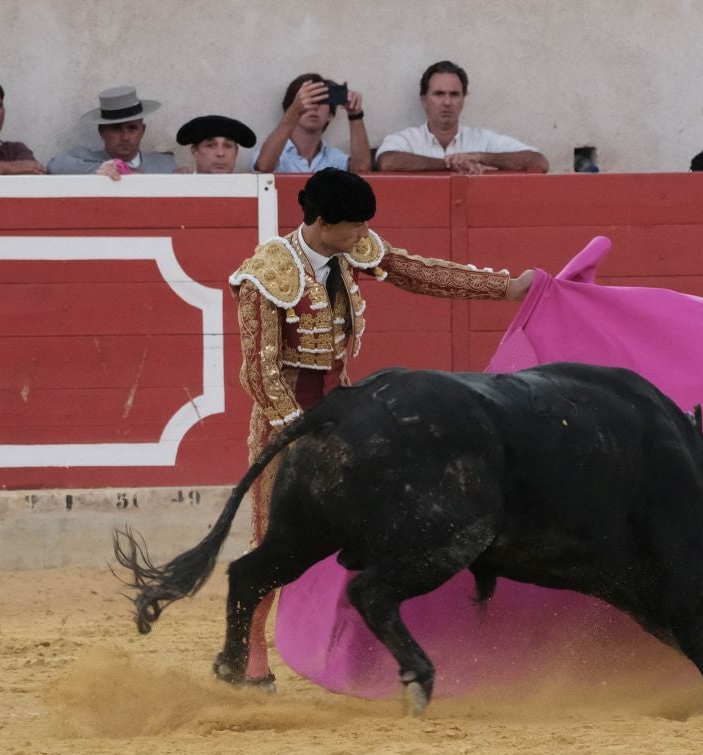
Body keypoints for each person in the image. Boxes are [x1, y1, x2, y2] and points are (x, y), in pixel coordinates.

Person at [226, 168, 535, 686]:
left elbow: (416, 272)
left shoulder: (352, 245)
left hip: (345, 414)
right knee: (271, 543)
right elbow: (258, 370)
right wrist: (299, 434)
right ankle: (250, 653)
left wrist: (507, 289)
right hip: (287, 426)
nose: (363, 235)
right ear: (324, 224)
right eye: (354, 226)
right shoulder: (267, 273)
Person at [376, 61, 549, 175]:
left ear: (463, 99)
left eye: (454, 94)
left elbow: (539, 161)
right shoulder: (407, 139)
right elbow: (387, 162)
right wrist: (450, 164)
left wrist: (480, 157)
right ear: (424, 101)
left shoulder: (482, 140)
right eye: (439, 94)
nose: (447, 102)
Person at [49, 85, 179, 177]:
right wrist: (103, 169)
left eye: (132, 128)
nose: (125, 137)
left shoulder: (164, 164)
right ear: (102, 132)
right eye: (116, 128)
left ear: (142, 131)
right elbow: (55, 166)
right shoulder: (84, 158)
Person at [254, 73, 370, 175]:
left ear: (330, 115)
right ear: (290, 109)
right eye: (309, 100)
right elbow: (263, 166)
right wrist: (294, 111)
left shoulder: (333, 158)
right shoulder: (275, 152)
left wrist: (355, 114)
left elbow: (361, 172)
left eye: (322, 100)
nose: (315, 106)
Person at [176, 115, 257, 174]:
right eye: (211, 145)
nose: (220, 153)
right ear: (194, 151)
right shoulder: (180, 189)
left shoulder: (245, 189)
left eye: (228, 146)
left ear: (236, 152)